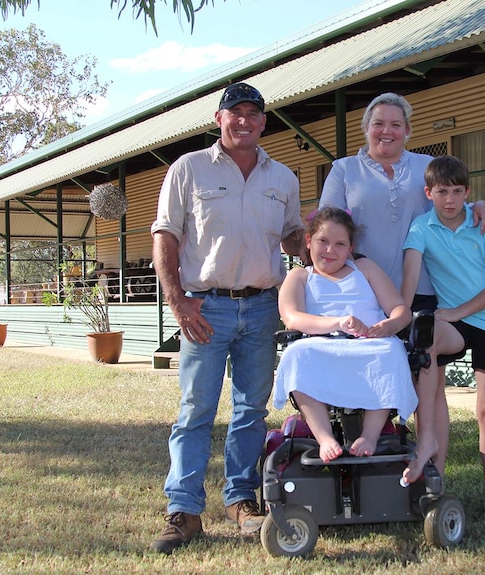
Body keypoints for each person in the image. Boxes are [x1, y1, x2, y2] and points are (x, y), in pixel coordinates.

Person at [149, 82, 303, 554]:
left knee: (251, 411)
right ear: (219, 119)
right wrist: (177, 300)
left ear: (263, 121)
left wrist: (324, 241)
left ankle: (241, 500)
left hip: (262, 308)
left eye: (252, 114)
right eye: (234, 113)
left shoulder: (283, 179)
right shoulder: (188, 169)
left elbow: (294, 238)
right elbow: (166, 238)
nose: (244, 121)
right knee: (196, 409)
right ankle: (185, 510)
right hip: (205, 307)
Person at [319, 92, 485, 477]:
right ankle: (366, 465)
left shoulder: (426, 165)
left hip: (424, 291)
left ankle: (433, 476)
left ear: (408, 130)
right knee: (369, 375)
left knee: (429, 387)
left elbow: (453, 198)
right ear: (366, 127)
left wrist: (482, 204)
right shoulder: (344, 169)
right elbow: (328, 224)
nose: (387, 131)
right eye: (379, 123)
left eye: (396, 125)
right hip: (367, 293)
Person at [401, 155, 485, 524]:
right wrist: (397, 318)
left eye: (456, 192)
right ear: (428, 193)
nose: (449, 199)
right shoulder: (421, 228)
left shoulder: (483, 225)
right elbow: (408, 283)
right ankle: (429, 447)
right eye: (441, 192)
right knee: (425, 336)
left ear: (467, 193)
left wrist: (456, 311)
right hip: (453, 322)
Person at [273, 207, 416, 463]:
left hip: (368, 343)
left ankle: (370, 435)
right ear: (309, 241)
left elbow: (400, 309)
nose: (330, 250)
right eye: (323, 242)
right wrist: (337, 322)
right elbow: (292, 317)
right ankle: (324, 436)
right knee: (296, 354)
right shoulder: (300, 276)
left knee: (391, 351)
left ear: (351, 248)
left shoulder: (365, 268)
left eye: (340, 244)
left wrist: (390, 325)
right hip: (321, 344)